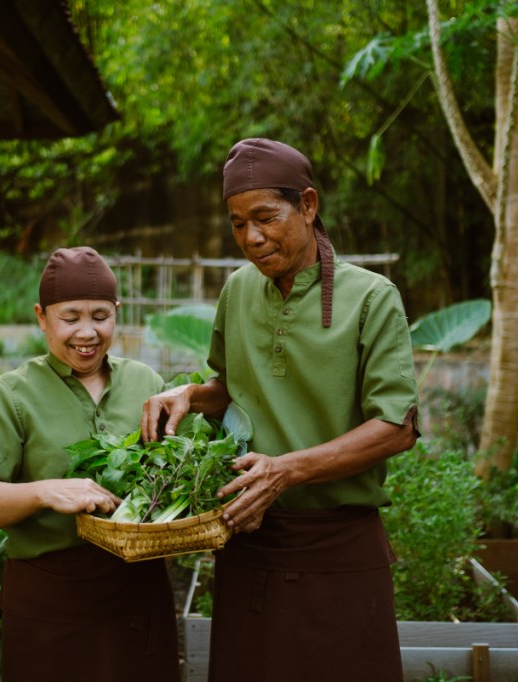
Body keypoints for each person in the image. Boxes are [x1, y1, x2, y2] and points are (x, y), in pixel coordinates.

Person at [141, 138, 419, 681]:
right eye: (238, 224)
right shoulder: (239, 291)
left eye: (265, 218)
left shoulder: (372, 298)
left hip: (339, 548)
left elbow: (396, 429)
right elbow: (233, 385)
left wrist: (285, 471)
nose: (252, 238)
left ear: (308, 206)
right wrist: (190, 395)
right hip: (252, 545)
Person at [0, 246, 180, 681]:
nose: (87, 332)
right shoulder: (12, 394)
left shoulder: (146, 383)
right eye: (70, 317)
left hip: (139, 593)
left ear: (117, 312)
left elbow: (171, 470)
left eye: (100, 316)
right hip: (49, 600)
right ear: (42, 317)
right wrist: (43, 491)